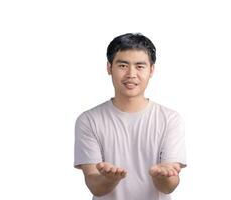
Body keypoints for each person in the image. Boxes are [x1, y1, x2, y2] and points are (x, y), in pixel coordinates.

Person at [74, 33, 187, 200]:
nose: (131, 74)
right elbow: (94, 184)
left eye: (140, 66)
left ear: (151, 70)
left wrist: (161, 177)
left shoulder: (170, 119)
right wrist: (109, 179)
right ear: (109, 67)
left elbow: (170, 186)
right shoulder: (89, 120)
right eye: (123, 65)